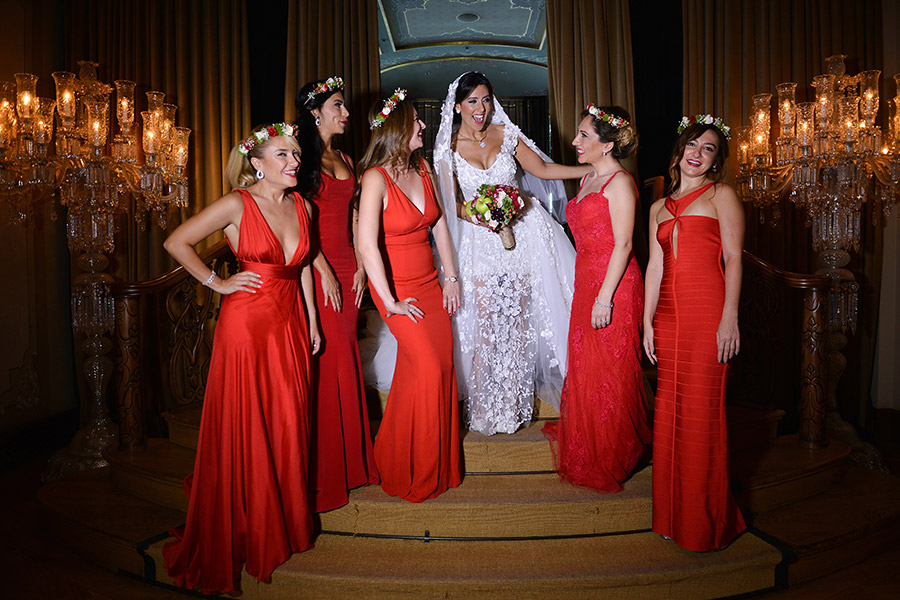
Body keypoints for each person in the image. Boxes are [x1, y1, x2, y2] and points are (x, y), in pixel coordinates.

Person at [161, 123, 318, 593]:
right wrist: (219, 283)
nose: (294, 162)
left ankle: (283, 519)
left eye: (296, 153)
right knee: (249, 422)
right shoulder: (237, 203)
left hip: (290, 322)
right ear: (257, 162)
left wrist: (312, 321)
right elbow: (176, 242)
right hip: (246, 326)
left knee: (288, 420)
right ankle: (252, 523)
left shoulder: (304, 206)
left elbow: (302, 268)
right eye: (283, 154)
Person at [433, 71, 591, 436]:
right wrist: (476, 213)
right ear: (457, 106)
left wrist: (591, 167)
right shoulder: (448, 147)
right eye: (473, 101)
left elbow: (543, 169)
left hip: (523, 236)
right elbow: (449, 202)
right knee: (485, 323)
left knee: (518, 321)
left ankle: (513, 405)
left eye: (486, 100)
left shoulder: (507, 134)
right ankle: (484, 407)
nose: (481, 108)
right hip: (478, 243)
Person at [643, 115, 747, 552]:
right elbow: (654, 267)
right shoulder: (657, 208)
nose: (697, 154)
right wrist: (647, 322)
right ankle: (670, 516)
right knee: (669, 413)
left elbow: (734, 258)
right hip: (668, 317)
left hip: (708, 314)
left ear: (716, 161)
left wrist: (730, 317)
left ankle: (704, 524)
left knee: (701, 414)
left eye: (708, 149)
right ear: (679, 150)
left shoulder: (722, 195)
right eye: (692, 144)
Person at [356, 89, 462, 502]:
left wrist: (450, 277)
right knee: (430, 368)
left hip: (431, 285)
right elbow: (367, 246)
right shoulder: (374, 178)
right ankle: (418, 469)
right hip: (397, 289)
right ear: (397, 128)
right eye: (415, 120)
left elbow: (439, 226)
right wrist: (390, 303)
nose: (422, 125)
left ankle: (401, 457)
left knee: (434, 369)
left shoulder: (423, 169)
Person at [542, 105, 651, 492]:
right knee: (588, 366)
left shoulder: (619, 183)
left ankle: (612, 452)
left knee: (611, 371)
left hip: (614, 286)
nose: (575, 141)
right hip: (587, 282)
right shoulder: (589, 176)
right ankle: (592, 444)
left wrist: (605, 299)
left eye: (584, 135)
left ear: (607, 145)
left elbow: (624, 245)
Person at [294, 76, 378, 512]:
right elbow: (297, 221)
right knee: (329, 361)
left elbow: (355, 215)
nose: (345, 114)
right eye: (338, 107)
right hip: (316, 266)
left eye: (344, 107)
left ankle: (351, 461)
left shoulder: (344, 157)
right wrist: (322, 268)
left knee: (346, 357)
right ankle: (327, 469)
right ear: (315, 113)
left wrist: (361, 263)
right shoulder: (300, 157)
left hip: (349, 266)